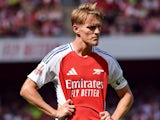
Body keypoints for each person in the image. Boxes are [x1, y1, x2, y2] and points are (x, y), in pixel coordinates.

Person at [20, 2, 134, 120]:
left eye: (99, 27)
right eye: (91, 27)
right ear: (76, 29)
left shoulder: (107, 61)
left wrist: (114, 118)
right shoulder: (58, 56)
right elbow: (27, 89)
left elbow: (127, 95)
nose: (97, 32)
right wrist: (54, 112)